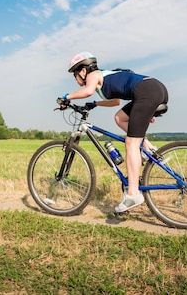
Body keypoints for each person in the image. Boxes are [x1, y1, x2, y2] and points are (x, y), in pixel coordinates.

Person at [57, 51, 168, 213]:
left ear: (82, 70)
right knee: (120, 118)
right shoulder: (103, 79)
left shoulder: (93, 75)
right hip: (153, 88)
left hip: (147, 91)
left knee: (131, 143)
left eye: (75, 74)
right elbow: (115, 102)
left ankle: (133, 194)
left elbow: (87, 91)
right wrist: (95, 103)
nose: (76, 79)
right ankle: (147, 149)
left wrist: (67, 97)